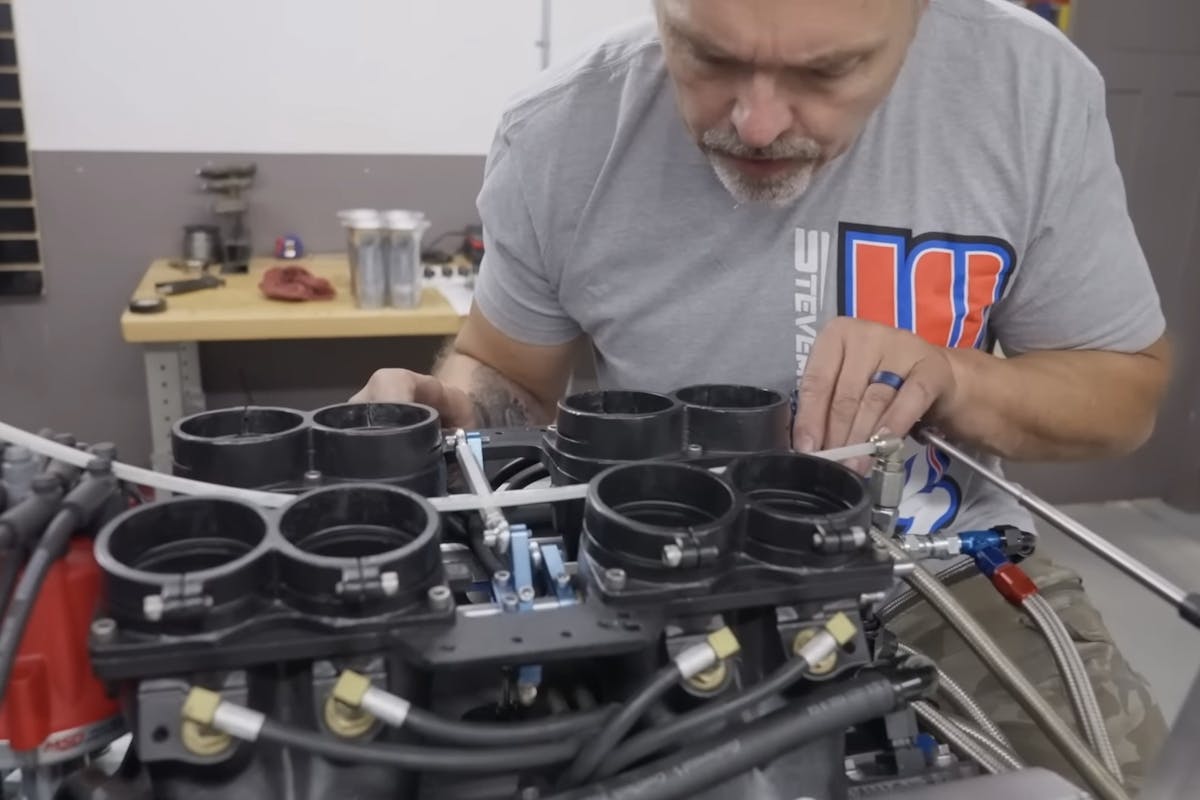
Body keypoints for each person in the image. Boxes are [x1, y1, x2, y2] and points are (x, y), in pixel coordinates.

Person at [353, 0, 1171, 789]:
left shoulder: (1029, 87)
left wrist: (956, 377)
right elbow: (508, 376)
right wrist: (450, 408)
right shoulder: (563, 126)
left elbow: (1123, 395)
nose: (757, 122)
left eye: (828, 70)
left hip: (942, 573)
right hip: (650, 582)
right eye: (710, 57)